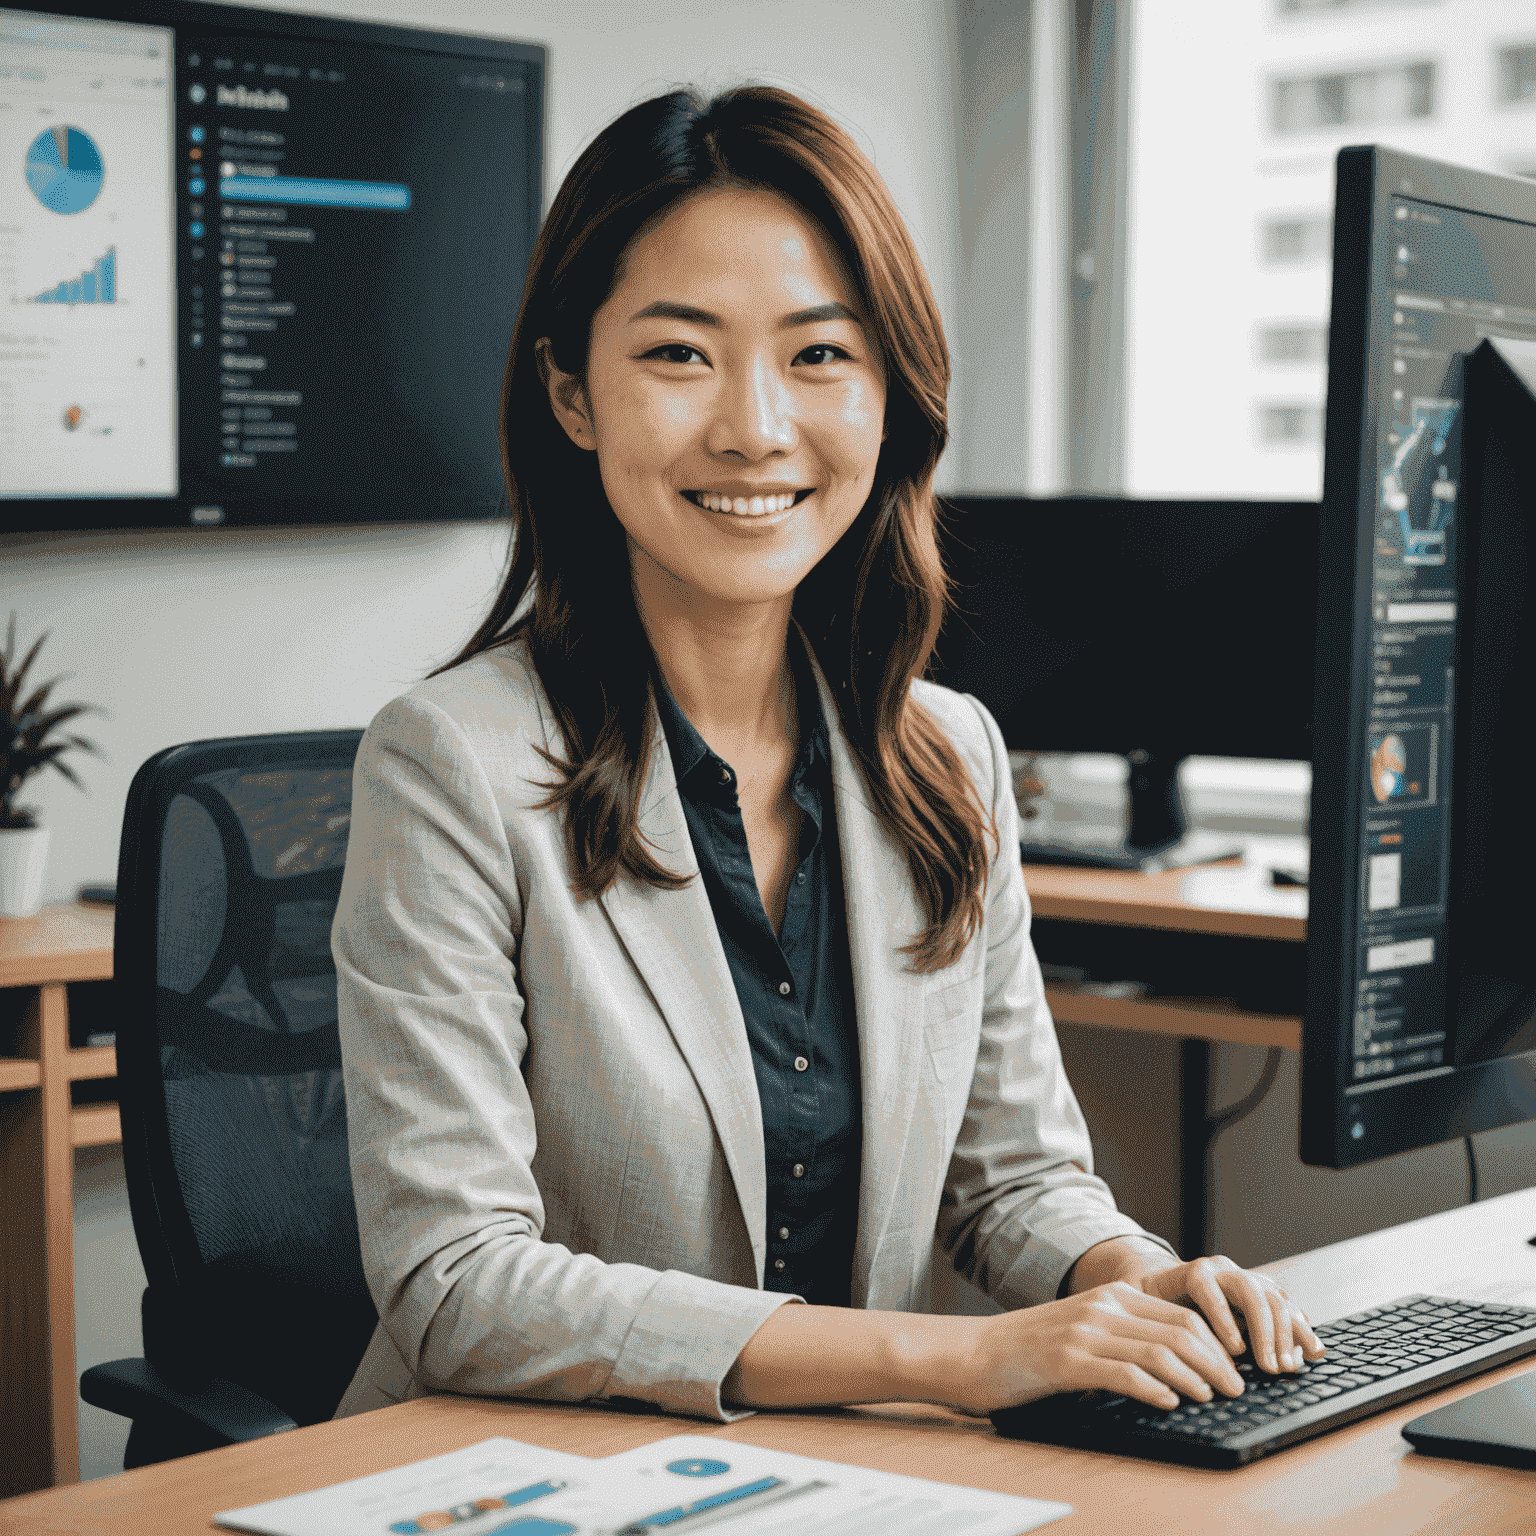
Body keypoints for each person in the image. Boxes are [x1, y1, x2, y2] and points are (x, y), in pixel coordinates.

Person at [330, 83, 1322, 1427]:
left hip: (841, 1484)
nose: (754, 427)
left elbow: (1014, 1180)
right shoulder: (449, 763)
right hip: (532, 1474)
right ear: (572, 393)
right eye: (679, 355)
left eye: (818, 356)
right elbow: (456, 1282)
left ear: (887, 393)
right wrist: (965, 1362)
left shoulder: (949, 755)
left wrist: (1136, 1282)